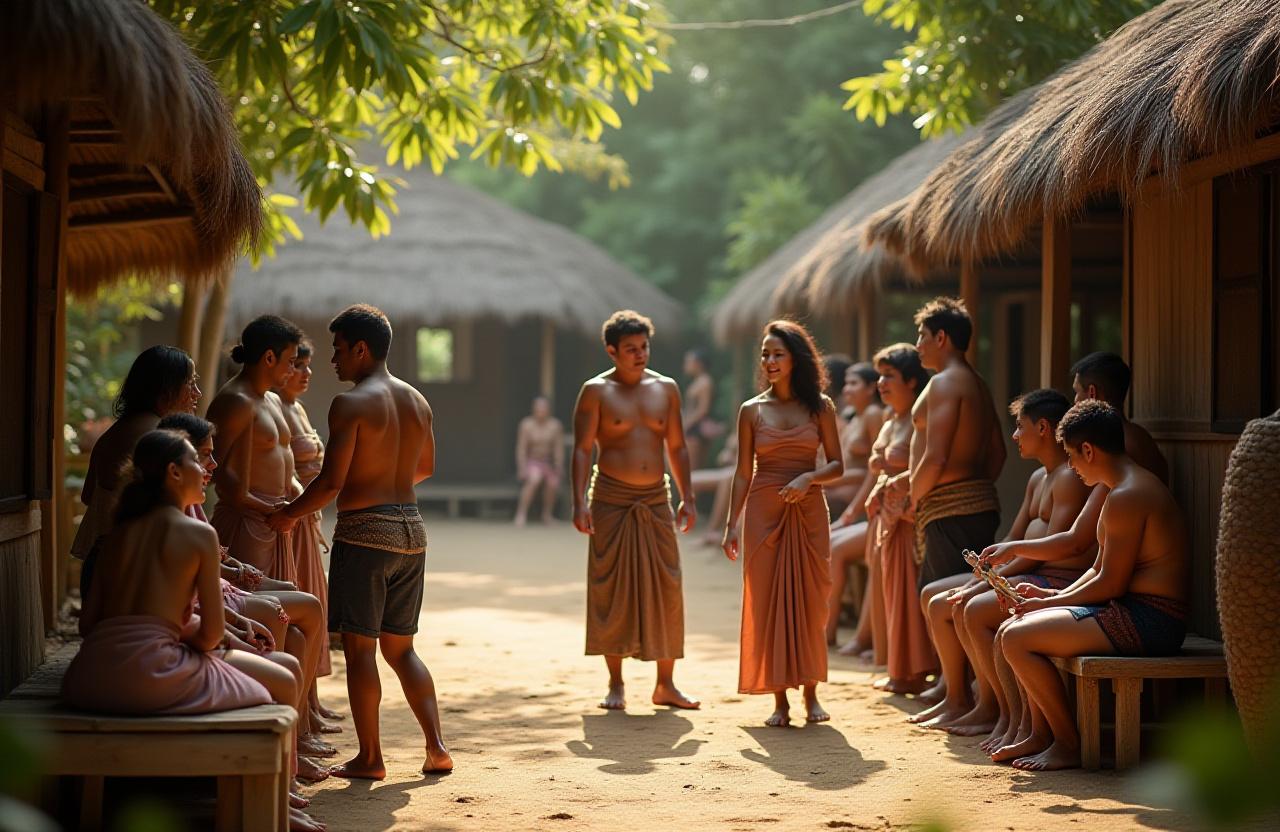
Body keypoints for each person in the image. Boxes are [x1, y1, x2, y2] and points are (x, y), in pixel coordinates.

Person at [62, 430, 326, 832]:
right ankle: (278, 798)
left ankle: (278, 793)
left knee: (277, 667)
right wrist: (216, 639)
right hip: (151, 675)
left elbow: (89, 624)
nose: (206, 471)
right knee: (286, 675)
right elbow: (208, 638)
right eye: (196, 462)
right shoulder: (198, 534)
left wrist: (175, 630)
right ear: (173, 472)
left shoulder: (115, 537)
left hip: (89, 677)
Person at [272, 304, 452, 780]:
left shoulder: (350, 404)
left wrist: (287, 515)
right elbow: (426, 468)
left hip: (366, 533)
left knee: (360, 651)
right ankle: (437, 747)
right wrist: (387, 479)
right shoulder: (417, 400)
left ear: (361, 349)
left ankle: (371, 757)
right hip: (411, 529)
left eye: (338, 350)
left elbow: (331, 483)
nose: (333, 360)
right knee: (402, 650)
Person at [997, 400, 1188, 771]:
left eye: (1071, 456)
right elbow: (1098, 569)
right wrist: (1052, 596)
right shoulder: (1118, 490)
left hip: (1153, 620)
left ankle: (1067, 743)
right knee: (1013, 628)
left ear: (1088, 450)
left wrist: (1047, 604)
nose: (1071, 466)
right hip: (1129, 609)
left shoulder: (1130, 494)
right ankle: (1040, 734)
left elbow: (1110, 584)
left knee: (1017, 638)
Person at [159, 412, 335, 779]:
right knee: (278, 628)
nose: (213, 465)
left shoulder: (148, 522)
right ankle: (276, 764)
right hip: (162, 657)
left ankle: (296, 736)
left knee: (291, 622)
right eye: (202, 457)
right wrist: (234, 631)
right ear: (174, 470)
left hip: (118, 658)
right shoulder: (179, 526)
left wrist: (233, 616)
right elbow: (193, 614)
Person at [936, 390, 1092, 744]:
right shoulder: (1038, 478)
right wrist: (983, 570)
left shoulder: (1069, 478)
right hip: (1026, 571)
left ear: (1043, 427)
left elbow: (1048, 551)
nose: (1015, 435)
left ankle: (1008, 716)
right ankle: (985, 706)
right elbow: (1015, 534)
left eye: (1020, 427)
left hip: (1053, 576)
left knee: (973, 608)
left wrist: (988, 581)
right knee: (952, 601)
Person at [571, 310, 699, 712]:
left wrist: (688, 496)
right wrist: (578, 501)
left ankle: (666, 684)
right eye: (631, 349)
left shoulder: (667, 388)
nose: (640, 354)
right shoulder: (596, 391)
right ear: (612, 351)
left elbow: (676, 446)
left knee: (667, 585)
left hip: (656, 498)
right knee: (610, 588)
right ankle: (615, 683)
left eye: (644, 346)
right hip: (610, 498)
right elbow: (582, 449)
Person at [722, 320, 843, 727]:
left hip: (809, 510)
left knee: (811, 600)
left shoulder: (821, 407)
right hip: (763, 511)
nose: (769, 361)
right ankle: (779, 700)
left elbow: (838, 465)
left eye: (778, 354)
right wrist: (731, 524)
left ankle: (811, 693)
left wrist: (809, 478)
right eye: (765, 354)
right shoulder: (751, 410)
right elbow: (743, 473)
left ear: (796, 359)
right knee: (767, 601)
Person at [907, 298, 1006, 727]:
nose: (918, 345)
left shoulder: (948, 382)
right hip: (970, 502)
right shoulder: (976, 383)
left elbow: (936, 457)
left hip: (950, 506)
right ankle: (953, 688)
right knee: (948, 599)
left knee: (948, 602)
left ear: (941, 337)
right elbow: (998, 453)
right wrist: (974, 488)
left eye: (922, 336)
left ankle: (959, 697)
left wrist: (914, 497)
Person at [72, 346, 201, 597]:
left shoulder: (110, 435)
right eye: (190, 383)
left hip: (99, 567)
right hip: (136, 574)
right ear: (165, 388)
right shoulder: (160, 439)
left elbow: (88, 497)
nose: (197, 392)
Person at [276, 340, 343, 730]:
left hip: (307, 517)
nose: (305, 373)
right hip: (292, 517)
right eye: (297, 365)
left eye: (306, 365)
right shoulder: (274, 408)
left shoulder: (296, 408)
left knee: (315, 599)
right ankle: (301, 709)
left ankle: (313, 702)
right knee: (301, 606)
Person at [208, 316, 304, 585]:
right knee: (254, 599)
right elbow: (213, 467)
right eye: (290, 362)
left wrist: (295, 497)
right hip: (247, 521)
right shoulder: (236, 401)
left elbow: (282, 457)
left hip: (276, 520)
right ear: (269, 358)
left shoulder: (272, 399)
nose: (293, 370)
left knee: (281, 601)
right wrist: (267, 509)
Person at [865, 344, 936, 694]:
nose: (881, 383)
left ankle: (914, 671)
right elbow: (878, 464)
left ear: (911, 381)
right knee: (890, 593)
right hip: (885, 516)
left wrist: (898, 481)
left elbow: (927, 463)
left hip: (908, 516)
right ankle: (898, 668)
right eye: (880, 376)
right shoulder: (890, 419)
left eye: (889, 376)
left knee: (907, 592)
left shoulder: (921, 417)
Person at [825, 363, 886, 653]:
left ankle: (830, 629)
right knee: (827, 542)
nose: (847, 389)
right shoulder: (854, 417)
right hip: (850, 501)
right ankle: (826, 625)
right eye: (846, 383)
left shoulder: (874, 415)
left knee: (833, 546)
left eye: (854, 383)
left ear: (872, 388)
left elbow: (873, 471)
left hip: (865, 505)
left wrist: (850, 510)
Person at [514, 396, 565, 526]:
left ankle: (547, 514)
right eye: (538, 409)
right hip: (532, 461)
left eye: (543, 408)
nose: (541, 411)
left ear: (548, 410)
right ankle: (521, 513)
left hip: (548, 462)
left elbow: (558, 448)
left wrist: (559, 466)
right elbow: (521, 448)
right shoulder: (526, 425)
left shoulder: (555, 426)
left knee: (553, 483)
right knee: (534, 479)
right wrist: (521, 467)